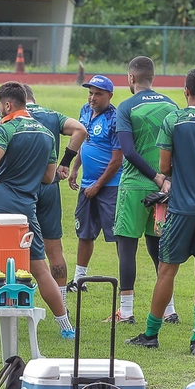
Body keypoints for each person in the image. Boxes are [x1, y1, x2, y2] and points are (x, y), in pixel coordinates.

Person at [126, 69, 195, 355]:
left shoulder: (173, 120)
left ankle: (151, 334)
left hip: (182, 206)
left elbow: (163, 167)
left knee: (166, 271)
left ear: (185, 91)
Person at [0, 82, 75, 340]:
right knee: (39, 267)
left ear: (8, 105)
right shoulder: (46, 133)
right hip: (26, 207)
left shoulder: (5, 128)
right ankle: (66, 327)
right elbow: (49, 176)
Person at [111, 56, 179, 324]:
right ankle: (170, 309)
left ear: (131, 78)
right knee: (159, 247)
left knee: (127, 248)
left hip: (135, 186)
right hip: (164, 189)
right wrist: (166, 179)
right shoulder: (171, 105)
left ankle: (126, 311)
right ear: (153, 78)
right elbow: (178, 148)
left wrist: (154, 176)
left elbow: (128, 151)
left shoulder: (126, 106)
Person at [24, 84, 86, 288]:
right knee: (54, 248)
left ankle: (16, 300)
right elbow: (80, 130)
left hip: (22, 188)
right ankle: (62, 302)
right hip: (50, 185)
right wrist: (65, 162)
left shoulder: (11, 116)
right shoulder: (51, 115)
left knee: (18, 246)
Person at [68, 74, 122, 291]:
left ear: (109, 95)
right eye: (90, 93)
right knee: (84, 232)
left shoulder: (116, 119)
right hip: (87, 184)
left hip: (110, 187)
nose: (92, 98)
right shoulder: (84, 111)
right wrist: (74, 168)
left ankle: (125, 282)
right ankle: (79, 280)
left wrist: (98, 185)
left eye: (98, 94)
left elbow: (117, 159)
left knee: (119, 236)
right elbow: (83, 142)